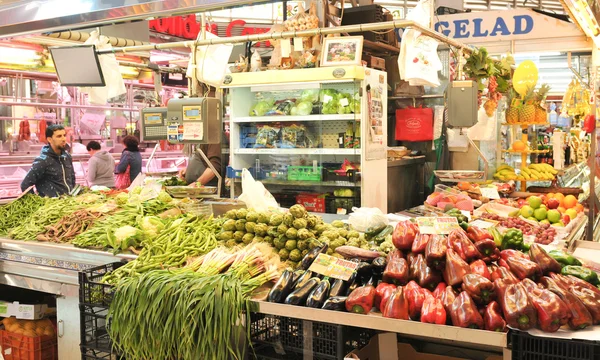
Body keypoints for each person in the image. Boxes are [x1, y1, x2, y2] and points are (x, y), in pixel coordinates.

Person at [20, 124, 75, 197]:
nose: (63, 139)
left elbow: (72, 179)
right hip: (51, 206)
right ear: (49, 139)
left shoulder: (67, 157)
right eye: (59, 136)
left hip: (68, 205)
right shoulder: (43, 161)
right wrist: (38, 203)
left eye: (64, 135)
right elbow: (25, 184)